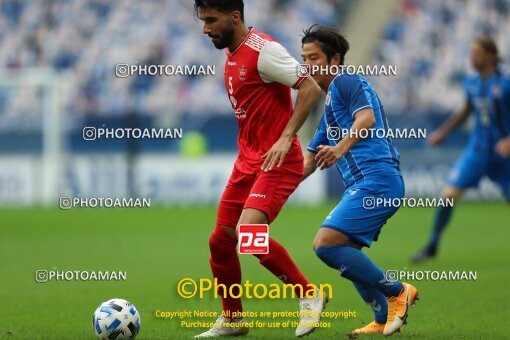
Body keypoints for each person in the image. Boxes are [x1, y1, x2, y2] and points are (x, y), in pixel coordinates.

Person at [194, 1, 326, 338]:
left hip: (278, 161)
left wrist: (286, 137)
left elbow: (310, 86)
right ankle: (233, 319)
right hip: (248, 163)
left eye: (211, 20)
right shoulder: (232, 54)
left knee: (248, 236)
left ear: (234, 17)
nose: (205, 28)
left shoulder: (263, 50)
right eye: (203, 20)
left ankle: (309, 295)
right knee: (220, 242)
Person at [300, 25, 419, 336]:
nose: (307, 65)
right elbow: (309, 160)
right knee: (344, 250)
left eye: (314, 58)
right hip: (367, 184)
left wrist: (339, 148)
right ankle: (382, 319)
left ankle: (397, 292)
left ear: (334, 59)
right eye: (304, 58)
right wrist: (269, 192)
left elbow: (366, 119)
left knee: (325, 246)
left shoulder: (347, 82)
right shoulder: (328, 109)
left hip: (377, 180)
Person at [412, 37, 510, 263]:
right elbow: (466, 109)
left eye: (477, 53)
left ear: (491, 56)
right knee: (447, 195)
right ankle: (432, 245)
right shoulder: (472, 82)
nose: (472, 58)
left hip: (504, 156)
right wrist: (443, 132)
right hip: (477, 150)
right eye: (471, 53)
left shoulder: (505, 84)